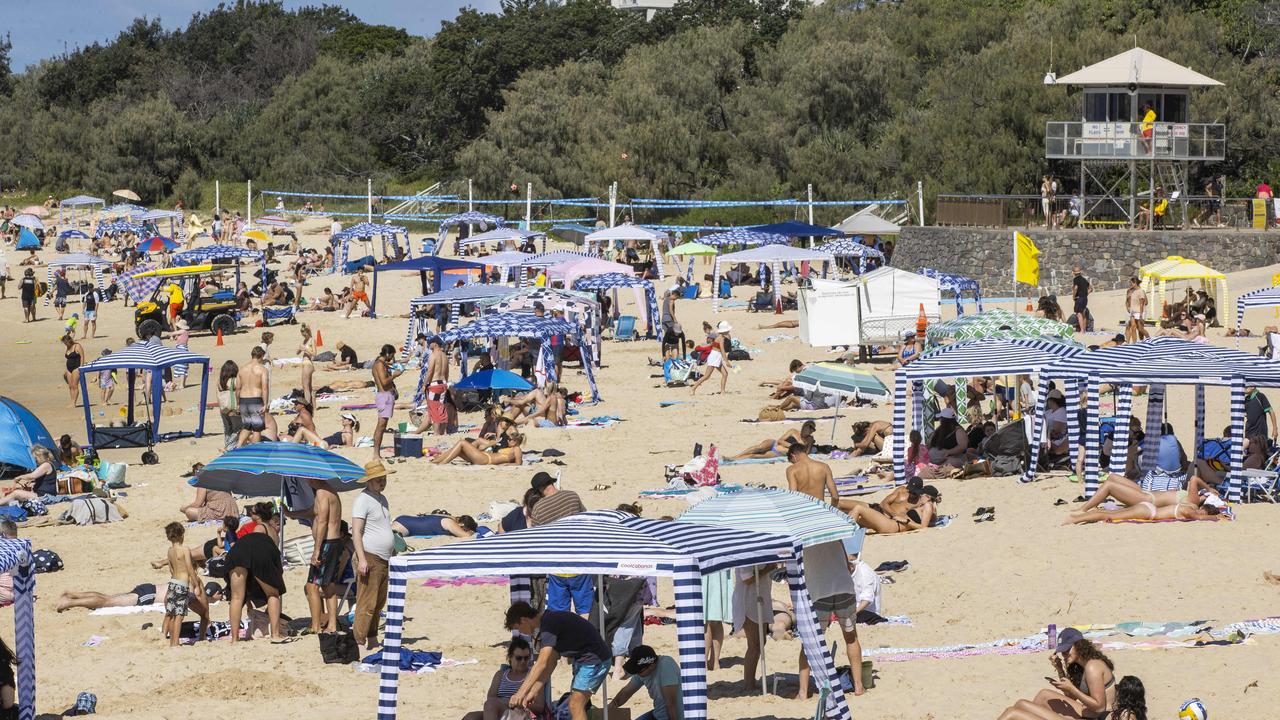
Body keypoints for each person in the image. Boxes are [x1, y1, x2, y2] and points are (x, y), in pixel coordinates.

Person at [505, 601, 611, 720]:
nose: (520, 632)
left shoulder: (549, 624)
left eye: (518, 628)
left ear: (523, 620)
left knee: (575, 705)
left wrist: (520, 693)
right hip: (585, 661)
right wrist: (533, 691)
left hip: (595, 661)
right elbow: (551, 663)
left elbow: (541, 664)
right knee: (576, 705)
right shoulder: (548, 623)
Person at [998, 628, 1115, 719]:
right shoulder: (1082, 664)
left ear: (1079, 645)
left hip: (1098, 717)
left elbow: (1099, 707)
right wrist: (1060, 669)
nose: (1064, 654)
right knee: (1041, 695)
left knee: (1012, 713)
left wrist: (1072, 689)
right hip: (1087, 712)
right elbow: (1071, 697)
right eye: (1062, 651)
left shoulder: (1093, 667)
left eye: (1066, 650)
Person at [798, 540, 866, 698]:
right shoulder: (834, 532)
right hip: (844, 587)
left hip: (819, 592)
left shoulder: (802, 537)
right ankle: (858, 686)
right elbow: (848, 565)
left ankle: (802, 692)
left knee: (810, 642)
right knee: (851, 637)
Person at [225, 502, 286, 641]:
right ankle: (275, 634)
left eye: (251, 512)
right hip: (258, 556)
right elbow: (259, 549)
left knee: (236, 598)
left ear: (258, 516)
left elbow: (254, 545)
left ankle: (234, 639)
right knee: (273, 594)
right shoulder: (272, 531)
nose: (249, 514)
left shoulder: (259, 527)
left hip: (237, 555)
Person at [351, 460, 393, 649]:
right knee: (366, 602)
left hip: (384, 557)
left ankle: (372, 638)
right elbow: (356, 532)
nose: (382, 483)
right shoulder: (363, 500)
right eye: (378, 480)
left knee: (377, 603)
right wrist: (361, 559)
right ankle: (358, 640)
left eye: (383, 479)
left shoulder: (382, 499)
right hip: (369, 555)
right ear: (369, 481)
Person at [1066, 475, 1226, 524]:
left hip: (1146, 499)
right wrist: (1209, 490)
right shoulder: (1191, 502)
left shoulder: (1192, 501)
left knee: (1109, 486)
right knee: (1112, 478)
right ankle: (1083, 512)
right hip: (1146, 495)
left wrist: (1209, 488)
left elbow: (1194, 479)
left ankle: (1083, 510)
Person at [462, 638, 544, 720]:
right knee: (470, 717)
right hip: (498, 710)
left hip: (521, 713)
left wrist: (520, 703)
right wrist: (506, 702)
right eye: (519, 658)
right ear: (510, 657)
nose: (523, 661)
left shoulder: (533, 676)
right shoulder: (500, 675)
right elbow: (490, 698)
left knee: (490, 705)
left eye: (526, 658)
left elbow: (540, 707)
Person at [305, 477, 344, 636]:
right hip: (333, 543)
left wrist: (317, 549)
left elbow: (322, 521)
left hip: (327, 544)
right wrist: (291, 513)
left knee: (311, 586)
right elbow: (314, 511)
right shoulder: (328, 491)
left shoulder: (322, 493)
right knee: (328, 586)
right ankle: (332, 625)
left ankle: (316, 625)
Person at [163, 522, 209, 646]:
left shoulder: (170, 551)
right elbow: (189, 568)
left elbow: (171, 570)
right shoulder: (184, 549)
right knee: (179, 616)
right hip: (182, 584)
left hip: (173, 583)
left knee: (172, 614)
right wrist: (196, 585)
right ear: (181, 535)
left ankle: (172, 641)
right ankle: (175, 643)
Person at [609, 645, 682, 720]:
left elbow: (671, 703)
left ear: (651, 665)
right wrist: (612, 705)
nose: (637, 673)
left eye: (639, 671)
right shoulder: (643, 672)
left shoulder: (667, 665)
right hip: (658, 714)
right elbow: (626, 692)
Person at [372, 344, 403, 460]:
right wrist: (394, 376)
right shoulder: (379, 365)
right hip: (384, 397)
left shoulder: (381, 363)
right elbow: (384, 383)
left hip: (386, 396)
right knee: (381, 426)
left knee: (382, 426)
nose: (392, 358)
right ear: (388, 354)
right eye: (392, 355)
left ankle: (376, 453)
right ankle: (376, 454)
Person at [728, 420, 816, 461]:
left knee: (754, 456)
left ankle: (735, 460)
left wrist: (810, 444)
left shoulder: (808, 441)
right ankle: (734, 456)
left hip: (778, 453)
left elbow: (806, 453)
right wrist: (792, 446)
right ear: (804, 427)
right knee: (758, 448)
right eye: (809, 428)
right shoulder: (793, 431)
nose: (810, 431)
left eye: (812, 430)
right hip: (773, 444)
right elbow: (780, 441)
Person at [236, 347, 269, 446]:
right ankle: (256, 450)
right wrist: (266, 403)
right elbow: (265, 388)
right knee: (257, 429)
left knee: (247, 426)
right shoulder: (262, 369)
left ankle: (238, 446)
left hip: (243, 400)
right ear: (261, 356)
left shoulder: (242, 369)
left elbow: (237, 388)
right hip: (255, 399)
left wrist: (238, 403)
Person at [430, 431, 524, 466]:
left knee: (462, 442)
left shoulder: (516, 449)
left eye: (510, 440)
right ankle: (438, 460)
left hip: (486, 459)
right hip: (484, 457)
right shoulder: (511, 448)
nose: (508, 441)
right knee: (458, 450)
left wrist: (506, 464)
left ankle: (442, 463)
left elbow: (518, 463)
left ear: (516, 442)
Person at [690, 320, 732, 395]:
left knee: (725, 374)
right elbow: (722, 350)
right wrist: (727, 361)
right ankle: (693, 388)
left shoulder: (722, 336)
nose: (729, 331)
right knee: (707, 376)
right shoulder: (720, 338)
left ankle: (722, 391)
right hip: (714, 356)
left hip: (717, 356)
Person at [55, 582, 159, 612]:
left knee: (107, 598)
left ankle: (73, 595)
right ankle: (69, 602)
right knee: (108, 601)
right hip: (149, 595)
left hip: (149, 589)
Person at [423, 336, 451, 436]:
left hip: (434, 384)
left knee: (434, 409)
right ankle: (442, 432)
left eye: (430, 343)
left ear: (435, 344)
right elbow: (447, 372)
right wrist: (445, 383)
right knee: (441, 408)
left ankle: (436, 433)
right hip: (443, 383)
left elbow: (430, 372)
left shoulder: (433, 355)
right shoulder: (444, 356)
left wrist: (424, 384)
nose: (429, 344)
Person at [216, 360, 241, 451]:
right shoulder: (235, 381)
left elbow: (218, 395)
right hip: (232, 407)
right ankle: (229, 448)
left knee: (227, 429)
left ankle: (227, 444)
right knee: (237, 429)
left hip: (223, 408)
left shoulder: (220, 381)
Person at [391, 513, 478, 538]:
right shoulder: (450, 523)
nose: (463, 530)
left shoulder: (449, 517)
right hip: (407, 526)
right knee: (389, 537)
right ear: (461, 524)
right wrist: (471, 532)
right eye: (464, 529)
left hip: (405, 518)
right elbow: (465, 535)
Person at [62, 333, 84, 408]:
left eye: (65, 342)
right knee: (70, 386)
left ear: (69, 341)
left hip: (76, 367)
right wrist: (66, 370)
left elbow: (82, 356)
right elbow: (68, 359)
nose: (65, 344)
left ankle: (74, 403)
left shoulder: (77, 346)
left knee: (75, 386)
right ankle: (72, 402)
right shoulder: (68, 347)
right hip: (69, 368)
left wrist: (81, 367)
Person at [1124, 277, 1147, 343]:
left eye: (1131, 283)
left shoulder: (1141, 291)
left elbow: (1145, 302)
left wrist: (1141, 313)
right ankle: (1129, 342)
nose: (1130, 284)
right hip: (1130, 311)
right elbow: (1126, 300)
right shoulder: (1129, 291)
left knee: (1140, 328)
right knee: (1129, 326)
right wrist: (1127, 307)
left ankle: (1143, 340)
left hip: (1138, 310)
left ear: (1135, 283)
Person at [298, 324, 316, 407]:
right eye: (302, 333)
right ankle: (313, 406)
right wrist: (300, 349)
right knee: (309, 387)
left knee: (305, 387)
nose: (303, 335)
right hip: (305, 363)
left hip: (308, 364)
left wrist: (306, 349)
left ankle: (307, 405)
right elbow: (297, 352)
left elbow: (314, 354)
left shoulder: (312, 340)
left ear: (308, 332)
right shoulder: (304, 341)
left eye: (304, 333)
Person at [1071, 266, 1090, 334]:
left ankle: (1082, 330)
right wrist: (1085, 294)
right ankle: (1084, 330)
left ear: (1074, 273)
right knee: (1083, 314)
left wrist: (1073, 296)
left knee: (1079, 314)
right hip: (1085, 298)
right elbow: (1091, 288)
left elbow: (1076, 288)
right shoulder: (1084, 279)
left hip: (1079, 298)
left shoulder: (1076, 279)